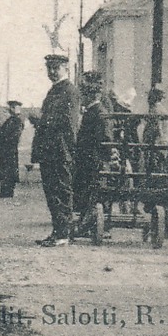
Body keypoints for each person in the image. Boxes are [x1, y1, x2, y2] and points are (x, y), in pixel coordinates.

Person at [32, 52, 81, 246]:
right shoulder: (55, 90)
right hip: (50, 150)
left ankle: (63, 234)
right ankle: (58, 231)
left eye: (56, 68)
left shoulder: (69, 91)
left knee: (61, 191)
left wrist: (43, 122)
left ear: (66, 69)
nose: (52, 72)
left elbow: (68, 123)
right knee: (52, 192)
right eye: (49, 68)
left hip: (60, 150)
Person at [73, 74, 111, 235]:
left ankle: (88, 226)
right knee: (85, 192)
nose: (82, 98)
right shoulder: (93, 110)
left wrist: (101, 158)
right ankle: (86, 223)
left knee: (92, 193)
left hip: (94, 160)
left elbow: (105, 140)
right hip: (87, 159)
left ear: (91, 95)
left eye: (84, 95)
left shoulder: (99, 112)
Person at [0, 100, 25, 197]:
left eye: (13, 107)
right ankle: (5, 191)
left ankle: (7, 192)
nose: (11, 109)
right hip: (6, 150)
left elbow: (14, 136)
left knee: (8, 170)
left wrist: (4, 143)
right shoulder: (12, 120)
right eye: (11, 107)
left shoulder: (17, 121)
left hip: (9, 150)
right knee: (5, 170)